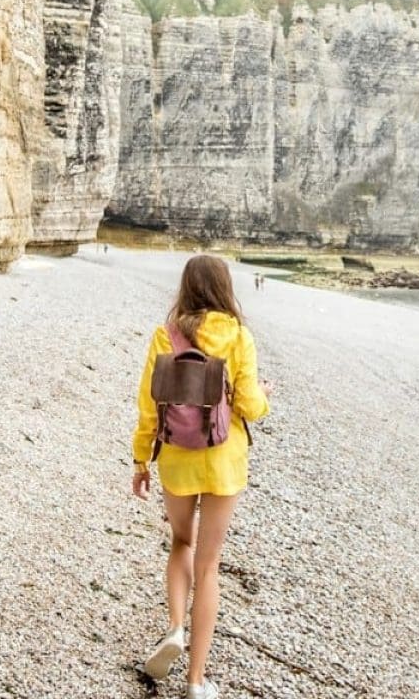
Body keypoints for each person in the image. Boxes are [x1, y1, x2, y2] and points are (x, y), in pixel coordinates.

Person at [129, 255, 270, 698]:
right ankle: (195, 682)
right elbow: (248, 406)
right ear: (224, 288)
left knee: (182, 543)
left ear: (186, 288)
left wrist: (140, 461)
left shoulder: (163, 336)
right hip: (225, 460)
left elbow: (149, 406)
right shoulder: (239, 336)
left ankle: (174, 629)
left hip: (177, 458)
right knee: (209, 565)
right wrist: (264, 396)